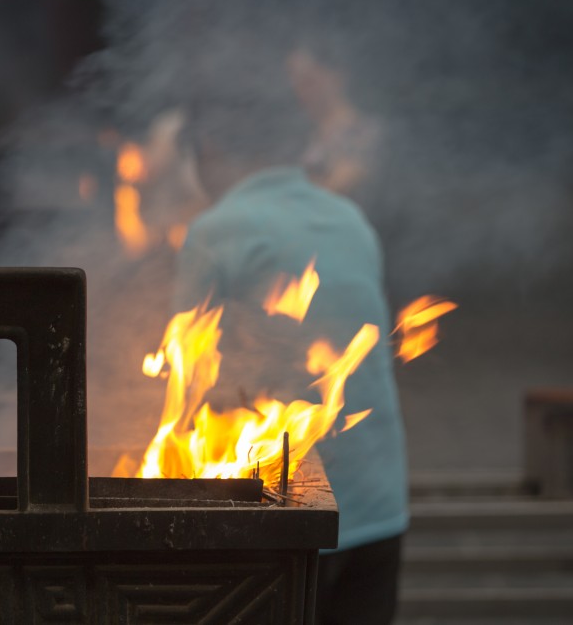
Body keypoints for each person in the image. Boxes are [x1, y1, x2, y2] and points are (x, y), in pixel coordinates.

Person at [171, 85, 406, 625]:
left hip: (292, 515)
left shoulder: (214, 230)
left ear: (207, 149)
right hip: (382, 496)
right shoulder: (351, 218)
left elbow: (185, 381)